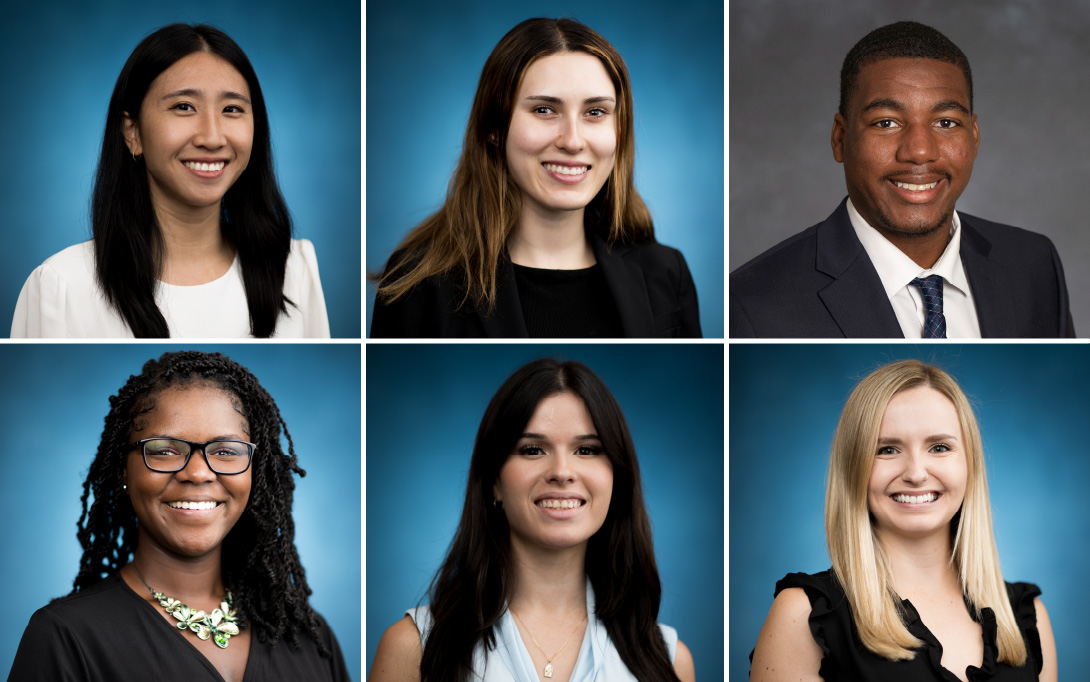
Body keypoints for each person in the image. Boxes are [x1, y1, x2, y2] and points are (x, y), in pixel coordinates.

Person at [8, 351, 349, 681]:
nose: (198, 473)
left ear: (254, 473)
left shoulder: (310, 637)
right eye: (165, 450)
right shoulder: (66, 636)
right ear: (122, 471)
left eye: (226, 451)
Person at [729, 21, 1074, 339]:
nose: (920, 151)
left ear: (974, 136)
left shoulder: (1033, 264)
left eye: (946, 123)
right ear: (840, 138)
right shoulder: (753, 304)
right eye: (886, 123)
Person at [370, 18, 700, 338]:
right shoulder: (419, 281)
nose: (572, 140)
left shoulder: (666, 273)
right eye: (544, 109)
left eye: (595, 112)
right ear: (495, 130)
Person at [369, 358, 695, 681]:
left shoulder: (670, 661)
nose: (562, 472)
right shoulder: (412, 649)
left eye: (587, 450)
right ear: (494, 481)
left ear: (617, 477)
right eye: (532, 450)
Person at [11, 24, 329, 338]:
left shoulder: (294, 269)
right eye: (183, 107)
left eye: (232, 109)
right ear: (132, 132)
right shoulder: (61, 287)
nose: (212, 137)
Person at [750, 360, 1057, 681]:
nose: (915, 473)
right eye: (887, 449)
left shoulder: (1027, 618)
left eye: (939, 447)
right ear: (853, 469)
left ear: (970, 465)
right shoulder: (802, 615)